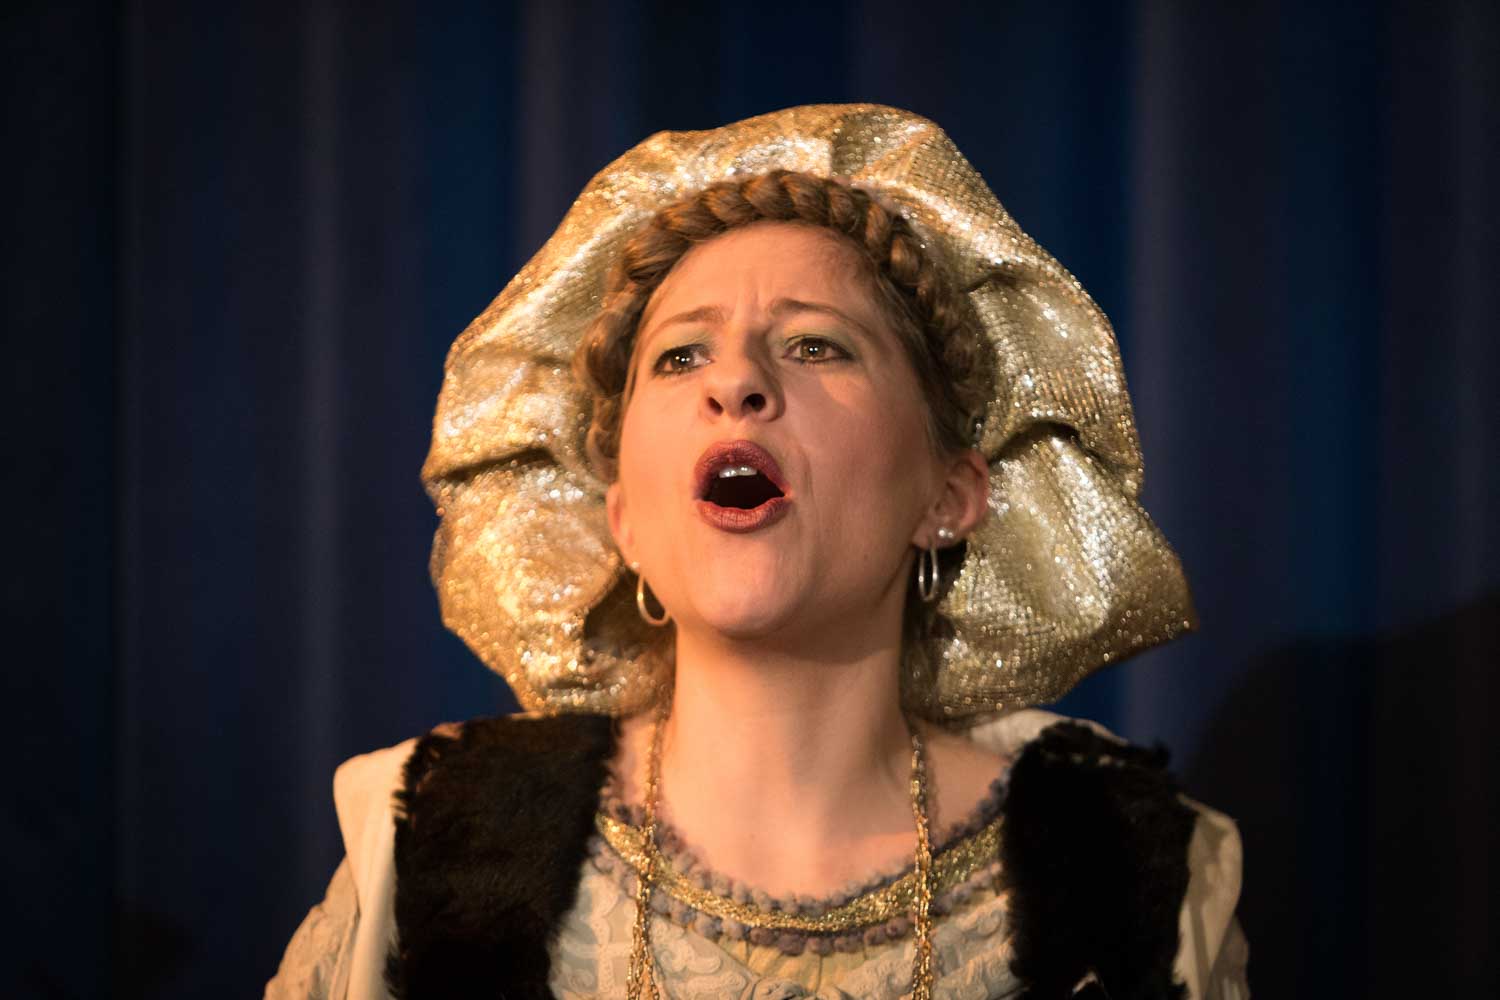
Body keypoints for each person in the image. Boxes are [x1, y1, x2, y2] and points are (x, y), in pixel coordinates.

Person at [268, 104, 1248, 999]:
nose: (735, 380)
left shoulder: (1137, 879)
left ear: (947, 496)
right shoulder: (423, 848)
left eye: (816, 345)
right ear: (625, 521)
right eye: (680, 355)